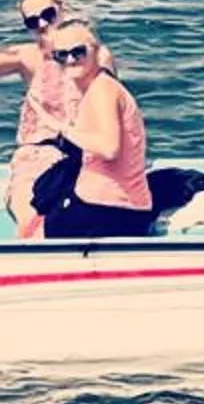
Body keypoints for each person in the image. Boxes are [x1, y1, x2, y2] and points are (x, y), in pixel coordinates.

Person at [0, 0, 111, 226]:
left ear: (61, 10)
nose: (41, 24)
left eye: (47, 14)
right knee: (31, 209)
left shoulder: (96, 55)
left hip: (87, 151)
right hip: (39, 153)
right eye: (32, 20)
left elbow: (110, 116)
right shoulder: (29, 57)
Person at [30, 18, 154, 240]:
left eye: (78, 52)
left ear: (96, 52)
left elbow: (109, 148)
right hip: (113, 206)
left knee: (38, 233)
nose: (70, 60)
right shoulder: (97, 87)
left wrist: (58, 126)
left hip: (111, 210)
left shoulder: (103, 91)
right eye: (61, 55)